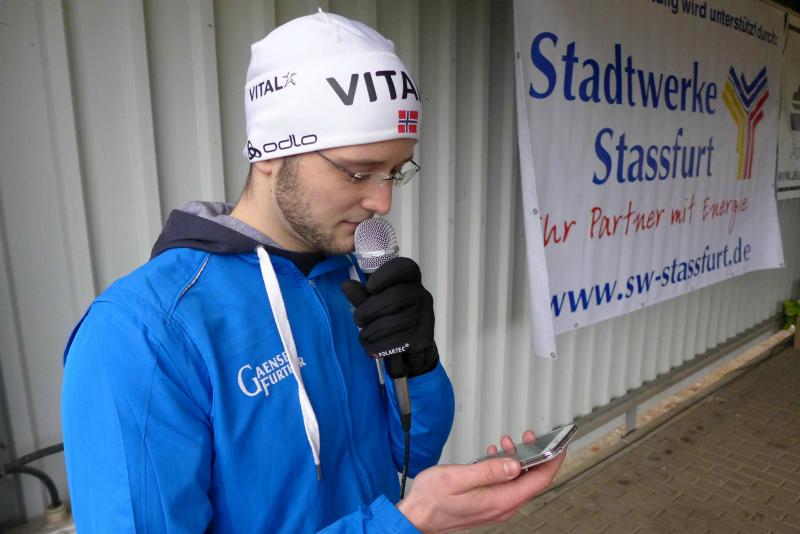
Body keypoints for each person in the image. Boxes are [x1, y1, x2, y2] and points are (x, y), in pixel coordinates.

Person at [61, 10, 565, 533]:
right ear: (269, 152)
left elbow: (409, 454)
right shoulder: (140, 334)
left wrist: (417, 365)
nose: (383, 202)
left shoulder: (344, 278)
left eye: (395, 172)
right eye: (358, 172)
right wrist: (403, 523)